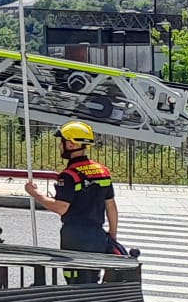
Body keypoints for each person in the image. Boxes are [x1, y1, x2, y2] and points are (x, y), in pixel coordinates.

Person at [24, 121, 121, 283]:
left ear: (71, 144)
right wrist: (112, 234)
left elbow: (61, 207)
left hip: (75, 236)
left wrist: (35, 193)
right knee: (92, 278)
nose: (59, 146)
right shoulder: (102, 171)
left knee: (75, 280)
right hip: (98, 235)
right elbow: (111, 205)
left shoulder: (69, 175)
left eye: (61, 141)